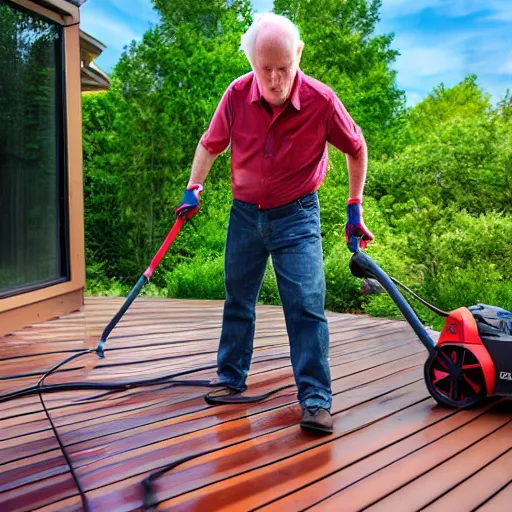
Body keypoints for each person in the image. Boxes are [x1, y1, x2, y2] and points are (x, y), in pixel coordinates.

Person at [175, 13, 374, 433]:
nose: (277, 79)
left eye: (284, 68)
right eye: (266, 69)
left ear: (297, 55)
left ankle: (316, 399)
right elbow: (210, 143)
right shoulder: (235, 95)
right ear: (251, 62)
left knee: (305, 305)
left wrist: (354, 205)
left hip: (297, 215)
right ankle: (230, 378)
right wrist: (193, 187)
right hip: (245, 214)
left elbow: (356, 148)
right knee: (238, 298)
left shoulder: (321, 100)